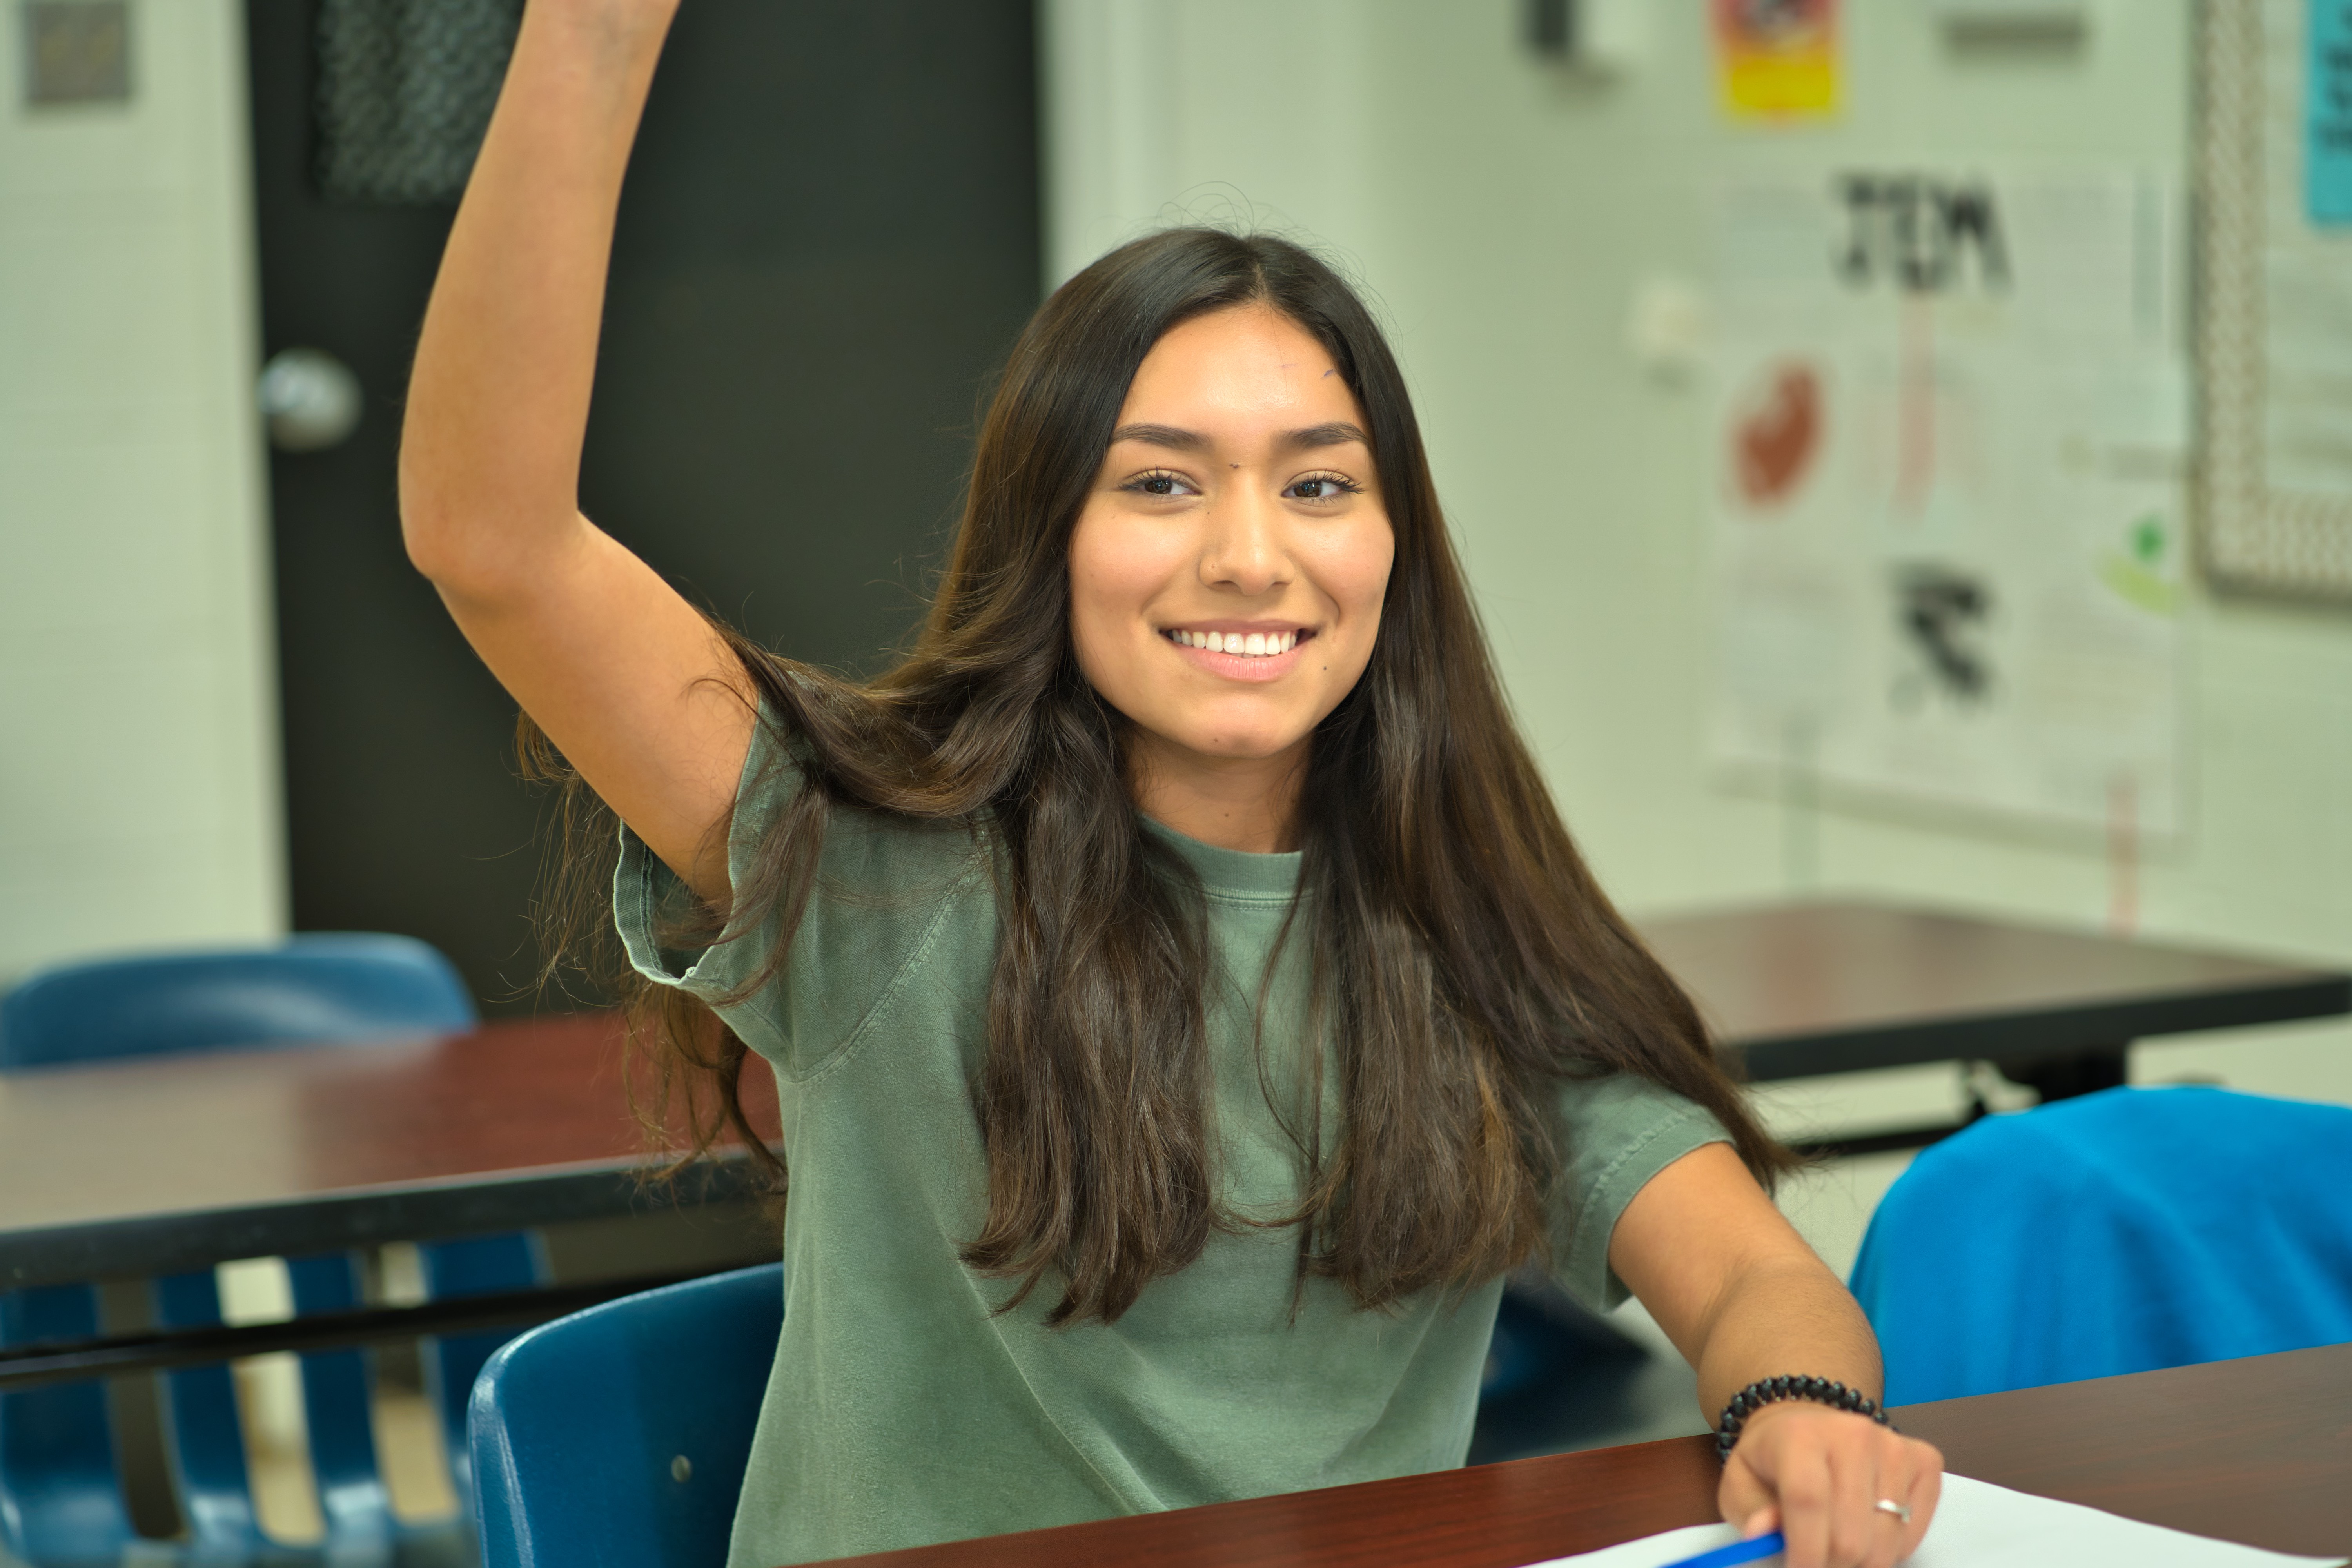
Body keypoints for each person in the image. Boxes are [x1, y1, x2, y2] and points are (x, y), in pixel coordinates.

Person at [399, 5, 1944, 1566]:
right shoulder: (879, 865)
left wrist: (1800, 1401)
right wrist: (591, 36)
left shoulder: (1467, 941)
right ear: (1048, 533)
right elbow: (496, 542)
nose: (1251, 554)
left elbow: (1757, 1281)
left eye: (1320, 484)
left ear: (1393, 550)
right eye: (1159, 482)